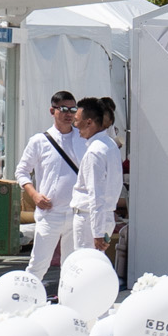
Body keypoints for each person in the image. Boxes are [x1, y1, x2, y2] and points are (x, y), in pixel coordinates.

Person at [16, 91, 85, 282]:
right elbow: (21, 172)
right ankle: (26, 303)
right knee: (38, 264)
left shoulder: (83, 139)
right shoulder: (39, 141)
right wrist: (34, 195)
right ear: (52, 110)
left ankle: (68, 303)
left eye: (73, 109)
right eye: (63, 109)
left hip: (76, 213)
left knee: (72, 267)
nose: (68, 114)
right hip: (49, 213)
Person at [70, 97, 124, 256]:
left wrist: (98, 232)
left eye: (77, 120)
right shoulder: (109, 144)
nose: (75, 125)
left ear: (89, 122)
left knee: (85, 264)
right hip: (102, 217)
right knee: (96, 264)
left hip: (89, 219)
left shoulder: (95, 152)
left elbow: (96, 194)